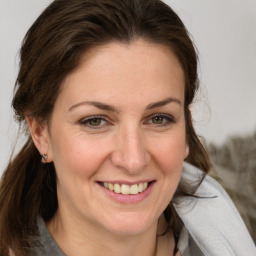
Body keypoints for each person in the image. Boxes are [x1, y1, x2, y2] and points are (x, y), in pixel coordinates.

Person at [0, 0, 255, 255]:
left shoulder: (240, 218)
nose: (133, 160)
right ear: (41, 133)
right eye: (95, 121)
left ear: (186, 127)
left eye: (158, 119)